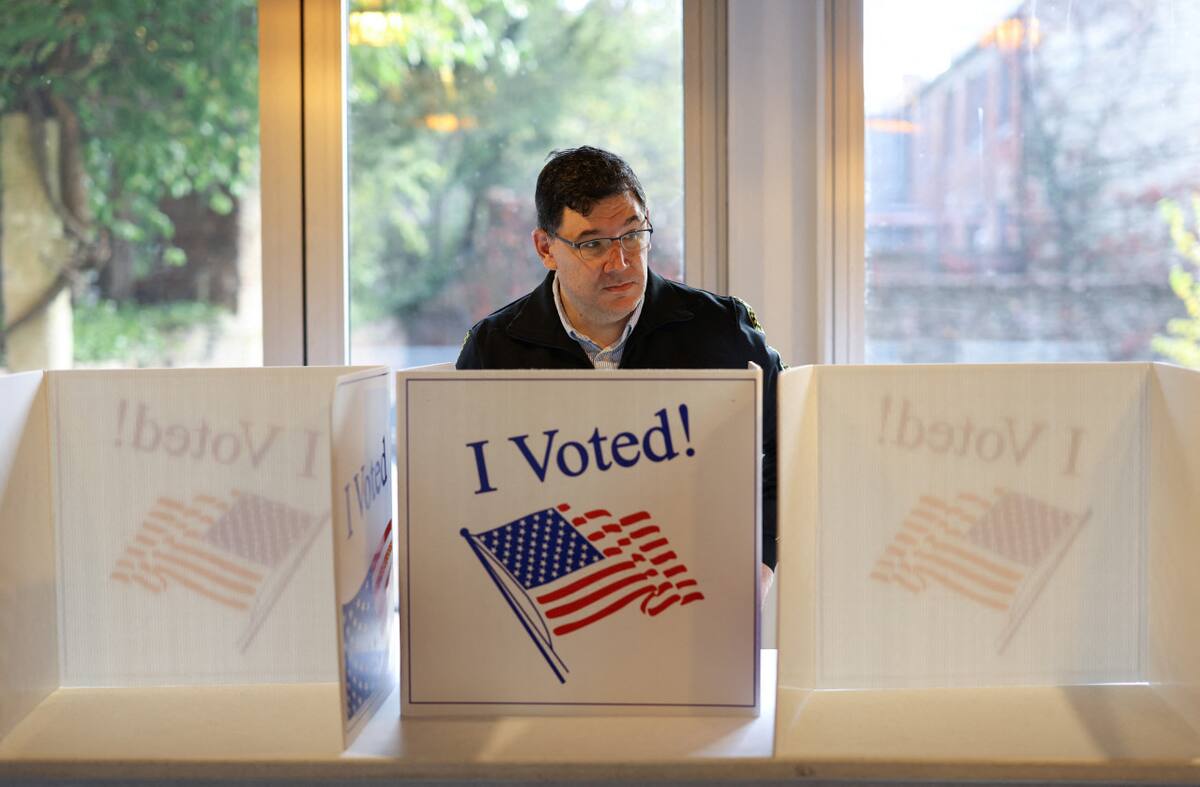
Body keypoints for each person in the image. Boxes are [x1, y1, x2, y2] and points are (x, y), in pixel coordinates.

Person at [457, 146, 783, 597]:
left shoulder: (721, 331)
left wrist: (761, 557)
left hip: (695, 587)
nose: (621, 262)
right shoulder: (495, 349)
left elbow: (789, 445)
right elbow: (466, 490)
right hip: (556, 595)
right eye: (592, 244)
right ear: (545, 248)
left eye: (632, 235)